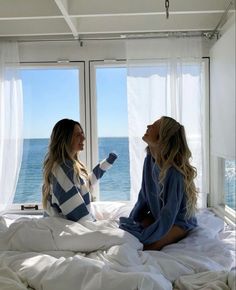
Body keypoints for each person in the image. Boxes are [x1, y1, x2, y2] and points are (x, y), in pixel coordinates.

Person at [119, 116, 198, 250]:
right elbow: (144, 197)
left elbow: (169, 212)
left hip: (178, 221)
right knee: (130, 235)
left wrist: (151, 234)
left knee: (147, 246)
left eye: (154, 126)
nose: (148, 126)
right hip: (158, 214)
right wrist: (134, 219)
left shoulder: (174, 173)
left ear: (162, 137)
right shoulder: (149, 161)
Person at [42, 118, 117, 222]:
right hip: (64, 228)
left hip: (73, 224)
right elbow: (78, 215)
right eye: (78, 135)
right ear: (65, 139)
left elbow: (85, 184)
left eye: (82, 133)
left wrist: (106, 164)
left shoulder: (70, 165)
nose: (84, 138)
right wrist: (96, 224)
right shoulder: (63, 169)